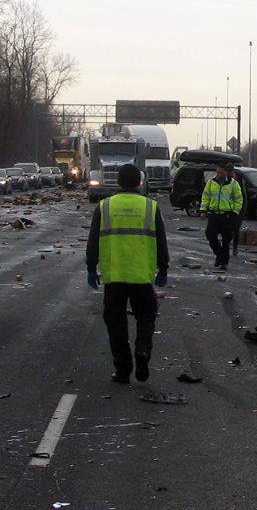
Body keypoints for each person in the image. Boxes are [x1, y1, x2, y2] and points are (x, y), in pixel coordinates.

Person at [85, 163, 169, 384]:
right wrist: (164, 269)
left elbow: (93, 241)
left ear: (118, 182)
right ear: (139, 182)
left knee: (115, 323)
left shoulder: (104, 206)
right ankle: (142, 351)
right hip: (142, 275)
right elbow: (161, 240)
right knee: (146, 317)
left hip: (114, 276)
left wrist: (91, 269)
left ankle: (122, 369)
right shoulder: (150, 207)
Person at [200, 163, 243, 269]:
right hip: (214, 215)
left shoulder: (233, 184)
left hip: (227, 215)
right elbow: (206, 197)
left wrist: (234, 213)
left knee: (226, 240)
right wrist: (203, 210)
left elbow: (239, 200)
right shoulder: (211, 183)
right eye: (218, 172)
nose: (219, 174)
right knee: (210, 235)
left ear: (226, 172)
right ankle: (219, 255)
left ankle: (224, 262)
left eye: (221, 172)